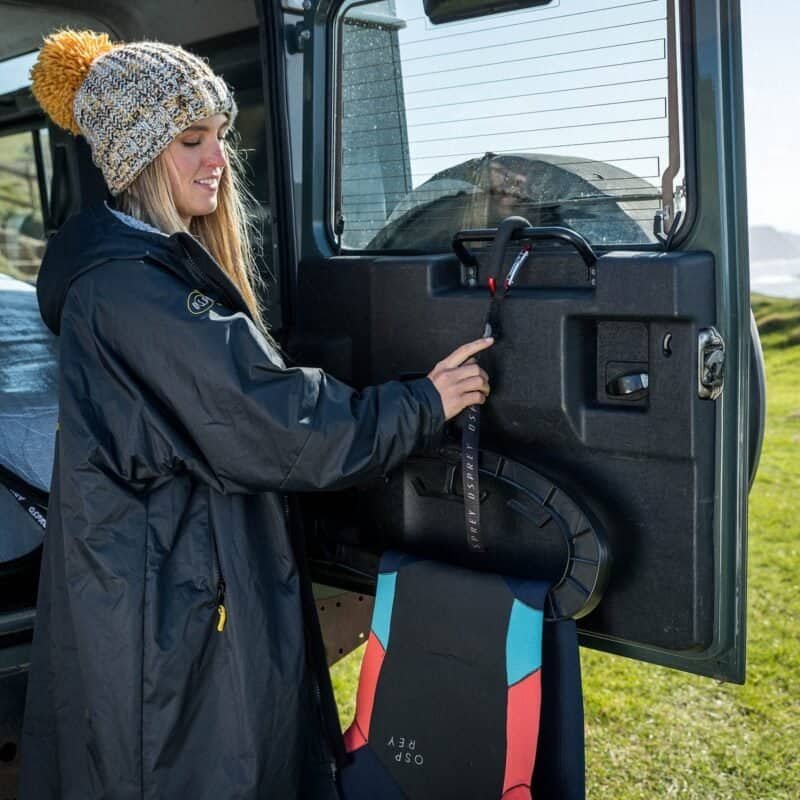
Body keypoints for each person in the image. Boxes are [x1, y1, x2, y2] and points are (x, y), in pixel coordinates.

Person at [21, 29, 492, 799]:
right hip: (173, 606)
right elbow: (273, 426)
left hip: (161, 586)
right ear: (137, 155)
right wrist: (421, 403)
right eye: (191, 140)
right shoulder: (133, 291)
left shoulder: (138, 269)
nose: (218, 160)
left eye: (219, 137)